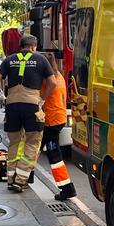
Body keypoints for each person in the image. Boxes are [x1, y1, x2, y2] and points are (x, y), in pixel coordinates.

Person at [0, 34, 53, 192]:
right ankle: (20, 180)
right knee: (32, 142)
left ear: (21, 46)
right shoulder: (40, 59)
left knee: (14, 142)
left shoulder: (9, 59)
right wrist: (43, 99)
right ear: (34, 46)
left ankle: (11, 179)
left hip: (12, 105)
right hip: (31, 104)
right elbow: (52, 82)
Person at [41, 53, 76, 200]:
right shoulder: (59, 75)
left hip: (51, 120)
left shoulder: (48, 80)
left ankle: (67, 188)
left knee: (54, 155)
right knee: (35, 149)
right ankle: (23, 178)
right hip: (58, 118)